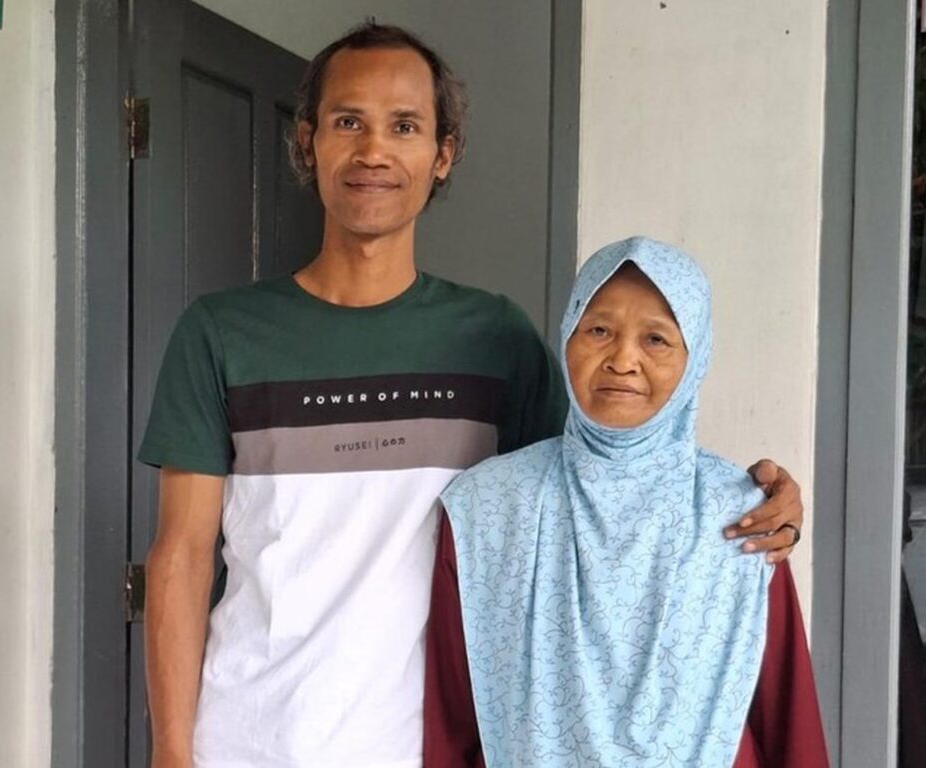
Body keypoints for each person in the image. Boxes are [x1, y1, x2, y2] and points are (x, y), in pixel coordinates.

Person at [138, 23, 806, 768]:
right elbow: (182, 557)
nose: (374, 151)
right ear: (307, 141)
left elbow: (597, 490)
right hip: (247, 741)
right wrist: (171, 752)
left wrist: (751, 496)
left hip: (429, 745)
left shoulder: (496, 339)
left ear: (442, 154)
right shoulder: (221, 334)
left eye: (405, 126)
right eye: (348, 121)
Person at [424, 236, 828, 767]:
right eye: (599, 330)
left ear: (695, 357)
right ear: (567, 337)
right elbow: (451, 718)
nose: (622, 360)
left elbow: (787, 713)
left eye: (656, 339)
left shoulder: (740, 513)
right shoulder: (487, 508)